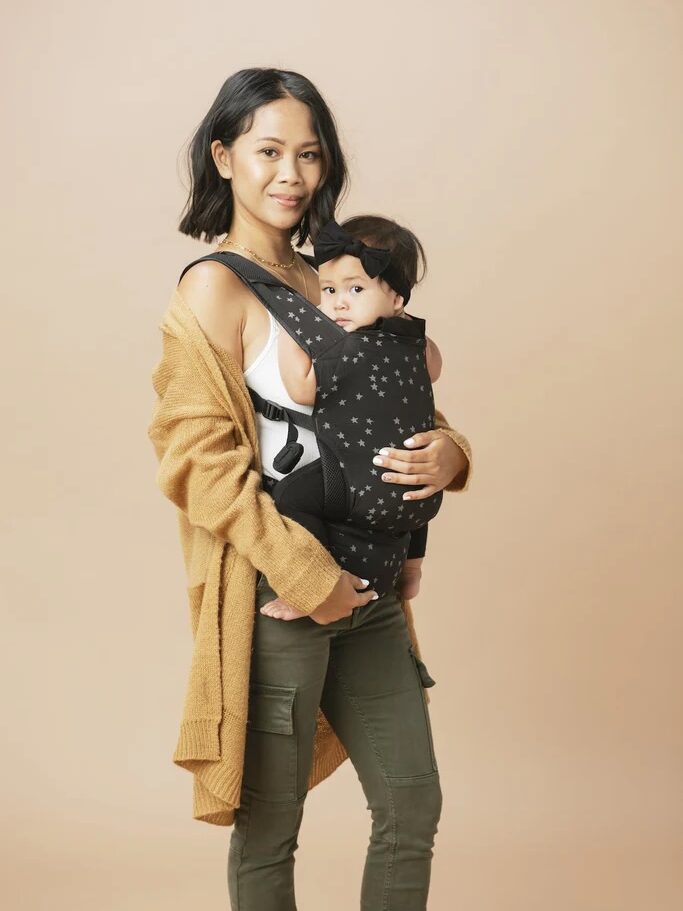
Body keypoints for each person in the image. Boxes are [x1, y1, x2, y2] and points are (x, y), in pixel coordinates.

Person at [148, 67, 472, 911]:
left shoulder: (336, 274)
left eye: (309, 154)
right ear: (223, 158)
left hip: (368, 584)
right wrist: (306, 577)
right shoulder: (211, 288)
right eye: (267, 151)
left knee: (411, 803)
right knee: (270, 825)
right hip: (281, 595)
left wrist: (451, 454)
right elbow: (197, 463)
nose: (290, 174)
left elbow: (407, 398)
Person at [265, 214, 443, 614]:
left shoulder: (349, 348)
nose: (338, 302)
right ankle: (411, 566)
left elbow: (302, 388)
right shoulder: (416, 342)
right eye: (328, 290)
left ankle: (311, 584)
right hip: (417, 489)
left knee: (292, 497)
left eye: (356, 289)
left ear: (396, 297)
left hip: (361, 483)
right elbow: (434, 368)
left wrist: (288, 338)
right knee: (415, 484)